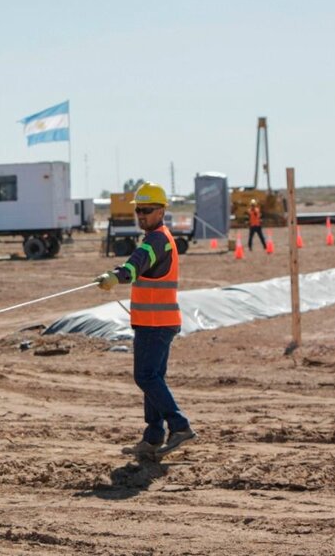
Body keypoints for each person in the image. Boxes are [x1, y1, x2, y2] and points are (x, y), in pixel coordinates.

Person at [94, 182, 196, 461]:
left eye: (147, 210)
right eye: (139, 210)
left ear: (162, 210)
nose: (141, 215)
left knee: (146, 377)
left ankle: (180, 426)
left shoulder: (157, 240)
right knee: (153, 378)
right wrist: (117, 274)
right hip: (154, 322)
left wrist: (118, 275)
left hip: (156, 323)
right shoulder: (157, 238)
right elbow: (139, 263)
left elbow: (137, 263)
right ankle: (153, 437)